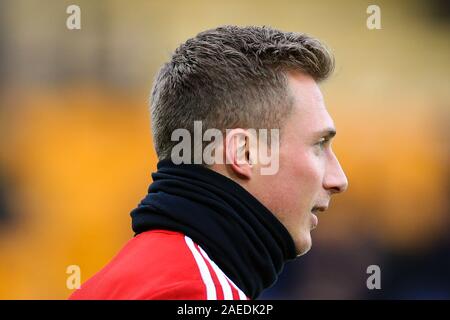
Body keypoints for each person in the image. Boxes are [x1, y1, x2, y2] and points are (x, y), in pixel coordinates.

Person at [69, 25, 348, 300]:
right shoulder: (199, 294)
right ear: (245, 154)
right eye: (319, 145)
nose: (338, 180)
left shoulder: (100, 287)